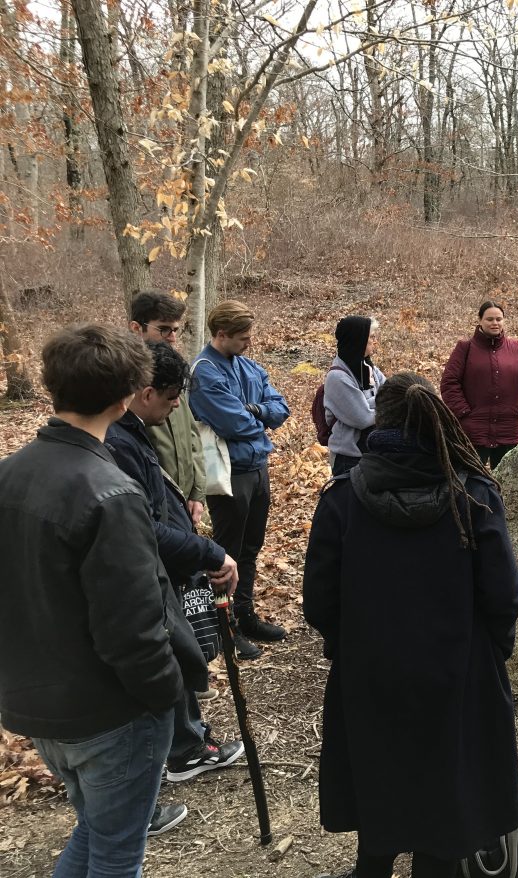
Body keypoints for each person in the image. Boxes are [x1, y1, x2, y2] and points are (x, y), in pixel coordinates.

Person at [304, 372, 518, 878]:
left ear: (380, 420)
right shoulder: (475, 494)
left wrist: (347, 645)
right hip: (456, 669)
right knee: (444, 798)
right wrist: (491, 651)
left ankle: (374, 865)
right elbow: (504, 595)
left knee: (379, 781)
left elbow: (319, 599)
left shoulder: (341, 499)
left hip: (370, 671)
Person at [0, 325, 185, 875]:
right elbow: (131, 627)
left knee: (99, 829)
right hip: (108, 713)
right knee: (116, 852)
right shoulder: (111, 493)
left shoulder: (8, 474)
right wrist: (164, 694)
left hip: (37, 705)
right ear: (127, 395)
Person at [104, 341, 245, 808]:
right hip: (146, 578)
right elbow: (143, 528)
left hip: (164, 570)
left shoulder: (131, 432)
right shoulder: (117, 443)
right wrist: (209, 551)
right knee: (167, 659)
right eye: (170, 397)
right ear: (144, 393)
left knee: (177, 653)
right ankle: (174, 757)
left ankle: (185, 744)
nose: (178, 405)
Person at [189, 300, 291, 659]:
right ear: (221, 335)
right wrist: (257, 418)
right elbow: (234, 424)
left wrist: (258, 411)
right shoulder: (204, 373)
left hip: (257, 467)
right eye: (243, 338)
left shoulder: (249, 367)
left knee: (251, 548)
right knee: (225, 554)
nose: (249, 343)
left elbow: (281, 408)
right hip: (228, 473)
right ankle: (224, 627)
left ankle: (244, 614)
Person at [440, 300, 518, 468]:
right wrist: (465, 413)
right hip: (473, 431)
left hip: (509, 430)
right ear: (480, 320)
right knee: (468, 482)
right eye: (490, 319)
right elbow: (449, 384)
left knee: (507, 486)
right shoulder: (465, 348)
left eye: (499, 319)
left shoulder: (516, 348)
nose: (495, 323)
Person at [129, 290, 207, 529]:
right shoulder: (124, 378)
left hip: (184, 501)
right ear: (136, 328)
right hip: (152, 505)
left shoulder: (172, 369)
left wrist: (197, 493)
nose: (172, 338)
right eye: (163, 329)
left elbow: (192, 434)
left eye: (175, 330)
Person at [323, 315, 386, 476]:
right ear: (358, 340)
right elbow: (363, 418)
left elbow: (392, 393)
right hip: (349, 459)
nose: (375, 341)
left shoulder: (367, 367)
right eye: (371, 337)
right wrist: (383, 403)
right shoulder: (337, 377)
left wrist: (366, 402)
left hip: (371, 454)